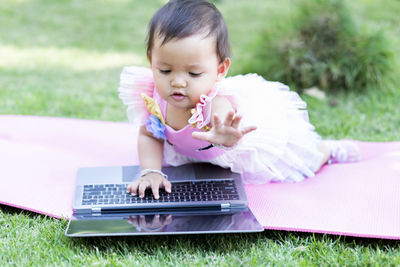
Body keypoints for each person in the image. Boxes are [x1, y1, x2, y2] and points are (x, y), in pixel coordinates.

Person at [118, 0, 360, 199]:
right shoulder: (153, 96)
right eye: (165, 70)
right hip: (194, 155)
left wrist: (226, 136)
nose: (178, 82)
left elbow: (224, 118)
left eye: (193, 73)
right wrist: (150, 171)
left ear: (220, 70)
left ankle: (327, 150)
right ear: (151, 61)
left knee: (301, 163)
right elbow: (150, 134)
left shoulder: (216, 102)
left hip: (234, 152)